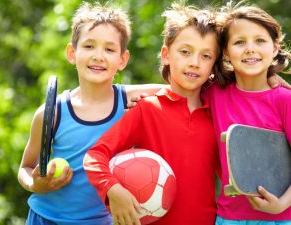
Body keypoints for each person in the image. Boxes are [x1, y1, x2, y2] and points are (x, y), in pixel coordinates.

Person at [17, 2, 165, 225]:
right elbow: (25, 167)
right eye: (89, 46)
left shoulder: (130, 99)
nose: (98, 56)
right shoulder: (52, 113)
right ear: (72, 53)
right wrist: (34, 184)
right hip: (45, 218)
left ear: (122, 60)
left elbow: (177, 91)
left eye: (109, 49)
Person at [83, 2, 222, 225]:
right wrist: (113, 190)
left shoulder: (217, 116)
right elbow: (95, 156)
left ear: (214, 64)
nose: (194, 63)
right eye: (185, 52)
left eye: (206, 56)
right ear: (166, 55)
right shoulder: (147, 109)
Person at [206, 3, 291, 224]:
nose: (250, 48)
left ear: (274, 48)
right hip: (228, 218)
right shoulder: (214, 93)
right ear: (225, 51)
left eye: (259, 41)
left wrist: (282, 204)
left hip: (281, 218)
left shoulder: (284, 100)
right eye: (239, 42)